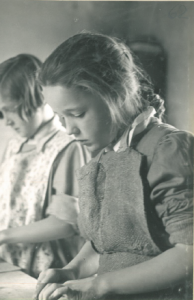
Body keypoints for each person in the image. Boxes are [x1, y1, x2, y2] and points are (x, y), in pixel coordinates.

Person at [34, 32, 193, 300]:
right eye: (60, 118)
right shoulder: (104, 153)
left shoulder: (168, 148)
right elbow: (107, 246)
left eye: (76, 114)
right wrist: (71, 271)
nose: (69, 129)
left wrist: (99, 285)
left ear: (115, 94)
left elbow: (189, 253)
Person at [0, 54, 89, 278]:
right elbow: (8, 205)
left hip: (45, 274)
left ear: (38, 98)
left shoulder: (67, 147)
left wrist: (2, 235)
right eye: (1, 111)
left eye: (10, 109)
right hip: (8, 266)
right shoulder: (15, 144)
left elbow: (66, 224)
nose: (6, 120)